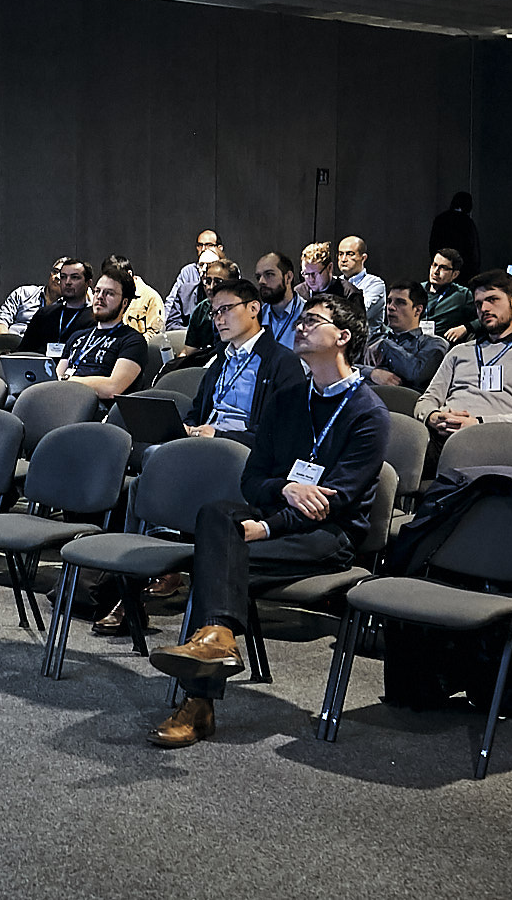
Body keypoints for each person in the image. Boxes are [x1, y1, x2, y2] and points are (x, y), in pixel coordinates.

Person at [145, 293, 387, 747]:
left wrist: (269, 527)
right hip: (277, 513)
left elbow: (335, 503)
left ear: (343, 337)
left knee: (216, 559)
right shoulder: (288, 398)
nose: (300, 326)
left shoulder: (369, 413)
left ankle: (198, 702)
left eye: (313, 321)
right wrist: (286, 490)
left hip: (327, 536)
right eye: (301, 319)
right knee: (215, 514)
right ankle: (217, 638)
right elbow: (253, 479)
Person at [417, 270, 512, 439]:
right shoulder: (459, 352)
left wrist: (479, 424)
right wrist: (434, 417)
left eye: (492, 300)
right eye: (479, 304)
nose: (484, 309)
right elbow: (426, 401)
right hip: (443, 435)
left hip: (497, 440)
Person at [181, 279, 306, 447]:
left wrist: (220, 436)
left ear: (253, 309)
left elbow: (281, 431)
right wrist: (187, 428)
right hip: (203, 441)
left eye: (225, 309)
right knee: (153, 451)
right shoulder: (220, 359)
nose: (219, 320)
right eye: (215, 313)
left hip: (242, 449)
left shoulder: (283, 362)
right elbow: (196, 410)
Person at [56, 264, 147, 400]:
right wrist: (63, 380)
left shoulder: (133, 341)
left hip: (97, 406)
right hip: (62, 399)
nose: (100, 297)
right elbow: (55, 377)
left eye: (109, 293)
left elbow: (112, 388)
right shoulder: (77, 336)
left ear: (124, 302)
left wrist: (68, 380)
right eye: (97, 291)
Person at [362, 281, 448, 391]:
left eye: (400, 302)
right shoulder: (375, 339)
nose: (390, 307)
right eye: (389, 301)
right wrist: (372, 373)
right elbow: (347, 367)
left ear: (418, 310)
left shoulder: (433, 343)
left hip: (403, 399)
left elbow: (417, 375)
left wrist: (386, 345)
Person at [18, 256, 95, 355]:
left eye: (74, 277)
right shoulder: (44, 314)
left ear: (88, 283)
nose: (67, 282)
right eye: (63, 277)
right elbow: (23, 353)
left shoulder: (94, 318)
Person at [163, 228, 225, 331]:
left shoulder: (230, 289)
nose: (204, 270)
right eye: (201, 265)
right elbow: (171, 321)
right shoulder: (185, 288)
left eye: (209, 245)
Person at [179, 259, 239, 357]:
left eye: (217, 282)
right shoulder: (201, 310)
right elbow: (189, 350)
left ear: (233, 284)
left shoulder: (240, 310)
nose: (210, 287)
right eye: (207, 281)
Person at [336, 235, 388, 341]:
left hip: (367, 345)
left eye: (350, 254)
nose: (343, 259)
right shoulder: (335, 282)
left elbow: (358, 315)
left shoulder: (375, 284)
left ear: (363, 258)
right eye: (341, 254)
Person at [250, 251, 304, 347]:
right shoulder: (257, 316)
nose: (261, 281)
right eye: (258, 277)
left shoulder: (307, 313)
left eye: (269, 274)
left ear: (288, 277)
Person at [0, 259, 59, 335]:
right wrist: (6, 339)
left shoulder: (67, 307)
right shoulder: (24, 293)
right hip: (14, 339)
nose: (57, 276)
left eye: (62, 275)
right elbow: (1, 320)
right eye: (55, 271)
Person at [108, 252, 168, 336]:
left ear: (129, 274)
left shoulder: (151, 297)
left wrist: (135, 342)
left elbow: (155, 333)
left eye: (117, 279)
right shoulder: (109, 297)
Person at [423, 248, 474, 342]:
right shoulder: (417, 290)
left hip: (442, 344)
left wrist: (465, 328)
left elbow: (482, 319)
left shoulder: (462, 295)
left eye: (443, 268)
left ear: (455, 274)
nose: (436, 271)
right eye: (434, 265)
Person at [295, 242, 365, 309]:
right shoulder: (298, 293)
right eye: (306, 273)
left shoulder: (350, 295)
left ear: (329, 268)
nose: (311, 279)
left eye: (314, 274)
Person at [429, 191, 480, 281]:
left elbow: (432, 244)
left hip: (442, 265)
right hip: (463, 270)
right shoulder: (467, 222)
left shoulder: (440, 219)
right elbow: (473, 250)